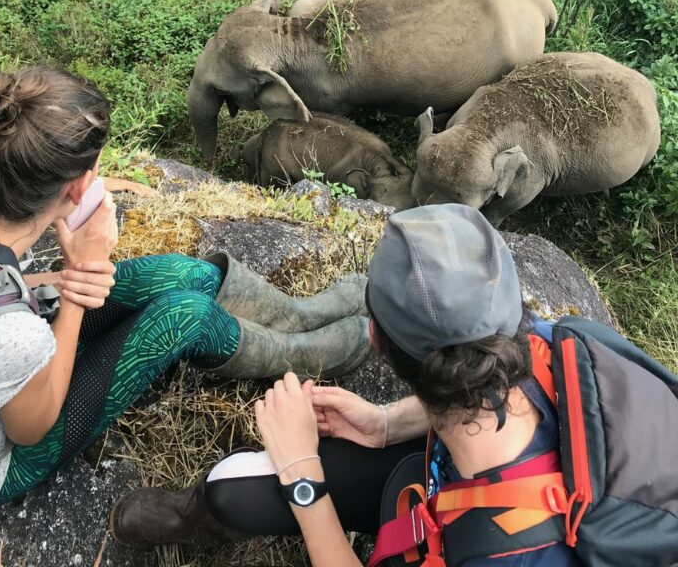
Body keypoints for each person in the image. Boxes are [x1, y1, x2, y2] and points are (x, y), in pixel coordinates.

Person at [0, 67, 370, 520]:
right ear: (76, 187)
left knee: (181, 273)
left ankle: (300, 316)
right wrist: (79, 280)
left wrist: (58, 261)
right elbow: (32, 427)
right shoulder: (5, 336)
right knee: (184, 315)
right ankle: (304, 356)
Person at [110, 205, 580, 565]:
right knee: (237, 487)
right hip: (455, 488)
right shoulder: (546, 344)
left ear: (373, 337)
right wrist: (386, 423)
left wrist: (302, 478)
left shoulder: (506, 556)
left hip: (468, 531)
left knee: (239, 486)